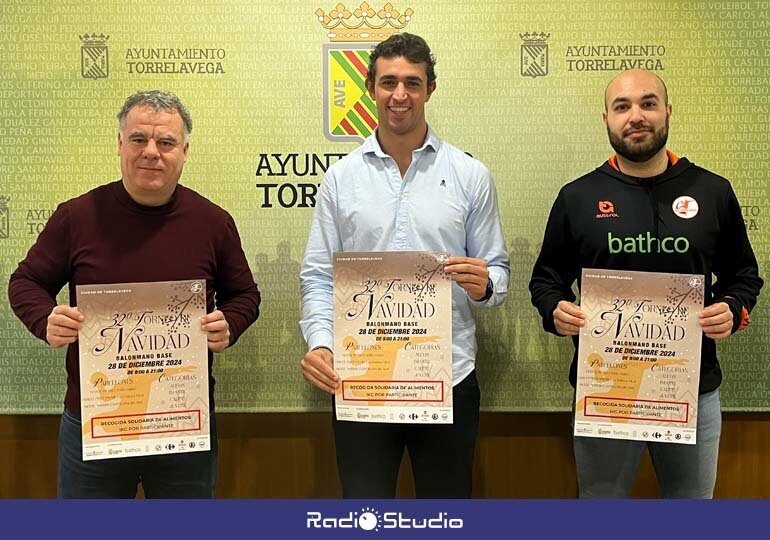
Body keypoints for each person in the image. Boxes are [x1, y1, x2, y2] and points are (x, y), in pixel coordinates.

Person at [8, 90, 261, 498]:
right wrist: (45, 317)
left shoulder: (213, 222)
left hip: (182, 423)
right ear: (120, 145)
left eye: (166, 143)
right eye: (139, 139)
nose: (151, 153)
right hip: (96, 421)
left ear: (184, 151)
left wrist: (230, 322)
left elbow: (245, 294)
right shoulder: (76, 216)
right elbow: (24, 283)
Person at [529, 69, 763, 498]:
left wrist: (731, 307)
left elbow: (744, 275)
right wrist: (555, 309)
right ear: (607, 119)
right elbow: (546, 280)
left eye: (648, 104)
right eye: (622, 107)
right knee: (602, 512)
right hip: (606, 389)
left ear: (667, 112)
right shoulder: (577, 197)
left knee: (690, 514)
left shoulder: (712, 191)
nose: (636, 116)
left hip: (690, 390)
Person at [299, 33, 510, 498]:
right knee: (366, 513)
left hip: (447, 377)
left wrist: (484, 284)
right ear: (370, 87)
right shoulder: (341, 179)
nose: (400, 95)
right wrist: (320, 342)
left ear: (430, 89)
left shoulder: (469, 175)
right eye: (388, 81)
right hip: (361, 378)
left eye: (412, 83)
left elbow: (498, 274)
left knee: (446, 511)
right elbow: (318, 275)